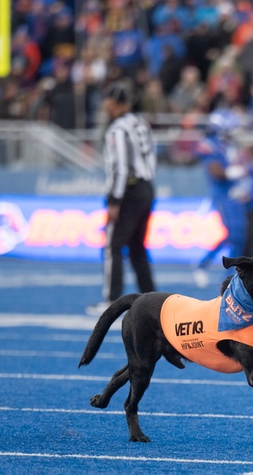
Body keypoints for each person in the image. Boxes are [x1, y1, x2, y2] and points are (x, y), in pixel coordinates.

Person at [87, 81, 157, 315]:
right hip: (147, 187)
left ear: (116, 103)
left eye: (108, 100)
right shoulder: (142, 124)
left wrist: (114, 200)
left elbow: (121, 168)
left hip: (128, 190)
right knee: (137, 247)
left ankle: (111, 300)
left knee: (113, 246)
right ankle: (151, 297)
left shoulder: (117, 129)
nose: (105, 104)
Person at [192, 108, 248, 288]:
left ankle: (232, 275)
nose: (233, 132)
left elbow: (243, 165)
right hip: (221, 194)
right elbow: (216, 172)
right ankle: (206, 265)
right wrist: (233, 173)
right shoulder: (209, 144)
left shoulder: (230, 146)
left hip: (234, 193)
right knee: (233, 234)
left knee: (239, 235)